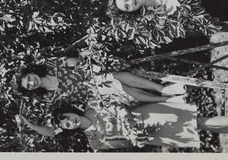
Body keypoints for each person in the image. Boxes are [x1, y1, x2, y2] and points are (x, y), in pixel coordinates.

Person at [16, 56, 186, 137]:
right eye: (28, 86)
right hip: (93, 95)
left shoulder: (50, 65)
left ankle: (163, 90)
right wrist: (30, 124)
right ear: (30, 90)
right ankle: (166, 98)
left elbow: (75, 62)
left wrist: (90, 71)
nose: (32, 83)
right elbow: (54, 132)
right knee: (117, 89)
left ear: (31, 73)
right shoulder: (47, 97)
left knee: (114, 78)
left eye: (29, 79)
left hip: (92, 76)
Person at [51, 100, 228, 150]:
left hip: (147, 114)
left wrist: (126, 117)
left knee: (197, 121)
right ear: (69, 130)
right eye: (67, 124)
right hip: (149, 132)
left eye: (68, 117)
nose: (71, 121)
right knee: (199, 125)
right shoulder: (94, 142)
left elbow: (117, 104)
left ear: (71, 111)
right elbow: (124, 144)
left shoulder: (92, 106)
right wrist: (134, 136)